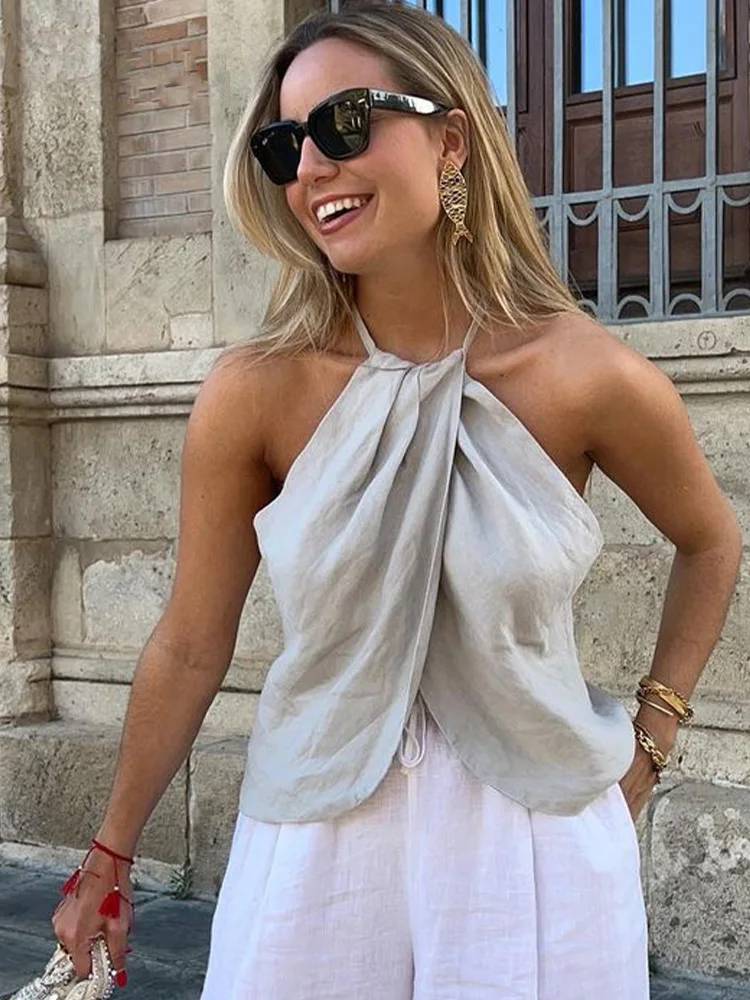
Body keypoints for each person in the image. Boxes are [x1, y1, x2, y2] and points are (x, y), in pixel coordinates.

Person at [50, 2, 743, 998]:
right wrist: (109, 853)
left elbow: (711, 540)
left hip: (536, 843)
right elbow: (192, 640)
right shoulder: (256, 393)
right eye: (285, 145)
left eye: (344, 124)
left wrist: (652, 737)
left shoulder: (585, 376)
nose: (310, 168)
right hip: (315, 846)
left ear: (451, 139)